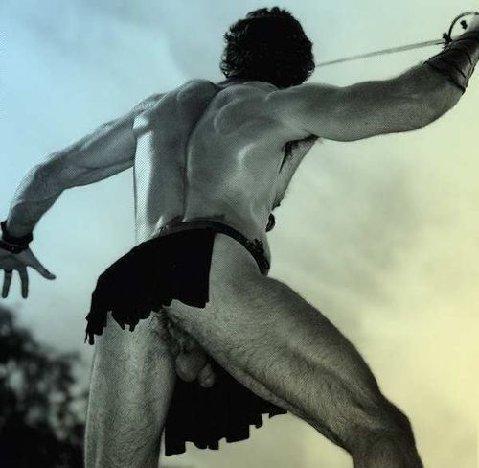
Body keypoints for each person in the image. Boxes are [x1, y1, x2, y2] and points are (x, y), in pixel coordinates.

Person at [1, 6, 478, 468]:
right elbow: (414, 101)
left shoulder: (156, 111)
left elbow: (51, 172)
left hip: (127, 283)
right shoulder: (277, 103)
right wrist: (469, 41)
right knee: (378, 430)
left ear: (230, 59)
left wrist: (12, 240)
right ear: (296, 71)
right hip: (206, 265)